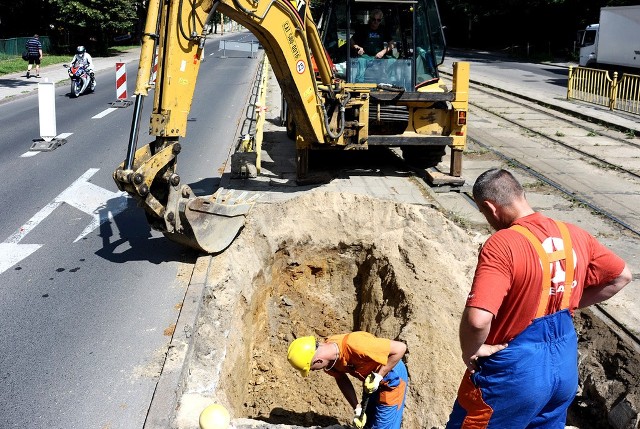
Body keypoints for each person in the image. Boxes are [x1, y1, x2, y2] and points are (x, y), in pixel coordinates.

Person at [446, 168, 632, 429]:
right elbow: (621, 276)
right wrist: (572, 300)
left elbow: (478, 320)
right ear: (522, 194)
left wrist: (472, 350)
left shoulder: (503, 244)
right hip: (564, 368)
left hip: (515, 374)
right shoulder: (574, 234)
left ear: (490, 207)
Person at [288, 331, 408, 429]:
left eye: (312, 368)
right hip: (371, 380)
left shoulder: (355, 344)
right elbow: (341, 378)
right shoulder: (329, 363)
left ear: (318, 361)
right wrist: (357, 408)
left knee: (384, 424)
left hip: (391, 377)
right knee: (368, 421)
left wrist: (379, 376)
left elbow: (400, 348)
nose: (314, 371)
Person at [350, 9, 394, 82]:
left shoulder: (383, 29)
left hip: (379, 57)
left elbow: (392, 43)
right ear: (370, 19)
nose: (376, 22)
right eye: (374, 19)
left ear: (381, 20)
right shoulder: (363, 29)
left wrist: (383, 52)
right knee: (361, 62)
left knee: (393, 61)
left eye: (378, 20)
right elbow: (351, 40)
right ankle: (359, 86)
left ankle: (389, 83)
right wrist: (358, 47)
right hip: (365, 56)